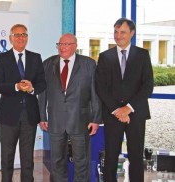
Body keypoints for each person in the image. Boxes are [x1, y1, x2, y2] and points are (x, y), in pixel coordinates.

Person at [95, 18, 154, 182]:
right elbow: (101, 87)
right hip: (112, 114)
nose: (118, 35)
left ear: (132, 33)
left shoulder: (142, 55)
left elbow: (147, 85)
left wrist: (128, 108)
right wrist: (117, 110)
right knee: (111, 156)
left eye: (122, 32)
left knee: (136, 156)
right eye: (116, 31)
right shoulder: (105, 57)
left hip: (136, 113)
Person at [38, 33, 102, 182]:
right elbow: (42, 93)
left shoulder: (89, 64)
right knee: (57, 162)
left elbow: (95, 93)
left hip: (80, 120)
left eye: (66, 44)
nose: (62, 47)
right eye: (60, 44)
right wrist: (42, 116)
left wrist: (96, 119)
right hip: (55, 120)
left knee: (81, 161)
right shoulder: (47, 64)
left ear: (75, 46)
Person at [0, 24, 46, 182]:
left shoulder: (36, 58)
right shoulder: (2, 58)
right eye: (17, 35)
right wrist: (16, 86)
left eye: (24, 34)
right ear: (11, 38)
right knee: (7, 157)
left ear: (27, 37)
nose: (21, 38)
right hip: (8, 116)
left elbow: (42, 84)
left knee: (28, 157)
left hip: (29, 115)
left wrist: (31, 88)